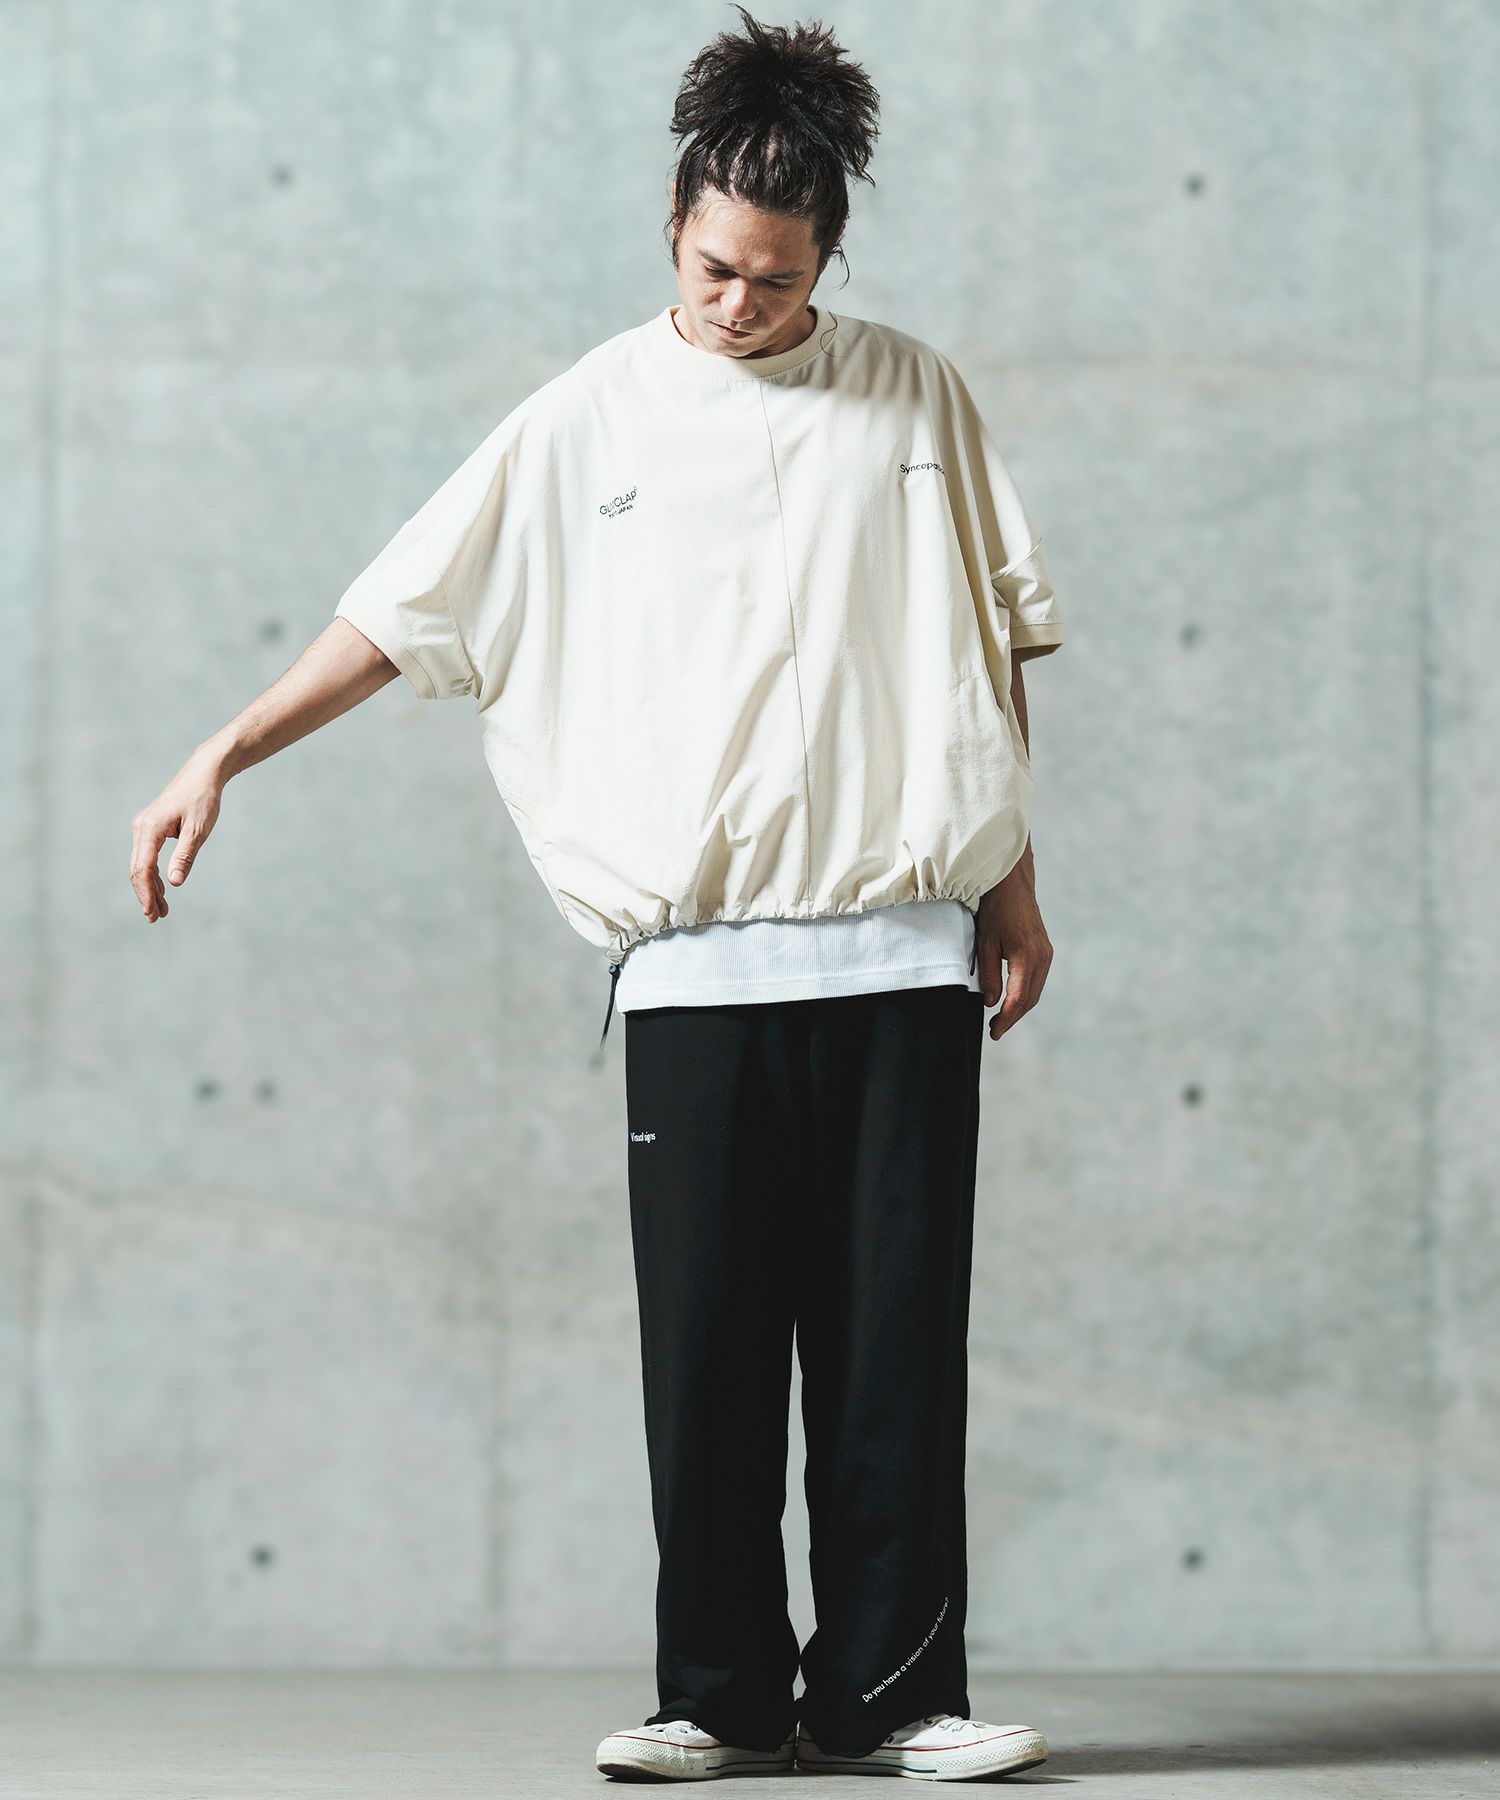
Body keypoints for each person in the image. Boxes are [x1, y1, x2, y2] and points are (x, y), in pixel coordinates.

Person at [129, 7, 1063, 1784]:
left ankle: (897, 1700)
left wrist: (1016, 892)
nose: (739, 304)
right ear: (674, 227)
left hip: (904, 953)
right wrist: (223, 750)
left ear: (828, 256)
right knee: (709, 1354)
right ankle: (716, 1695)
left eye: (778, 279)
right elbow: (402, 610)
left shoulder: (918, 398)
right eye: (714, 268)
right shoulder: (586, 419)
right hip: (695, 971)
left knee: (892, 1353)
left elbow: (983, 659)